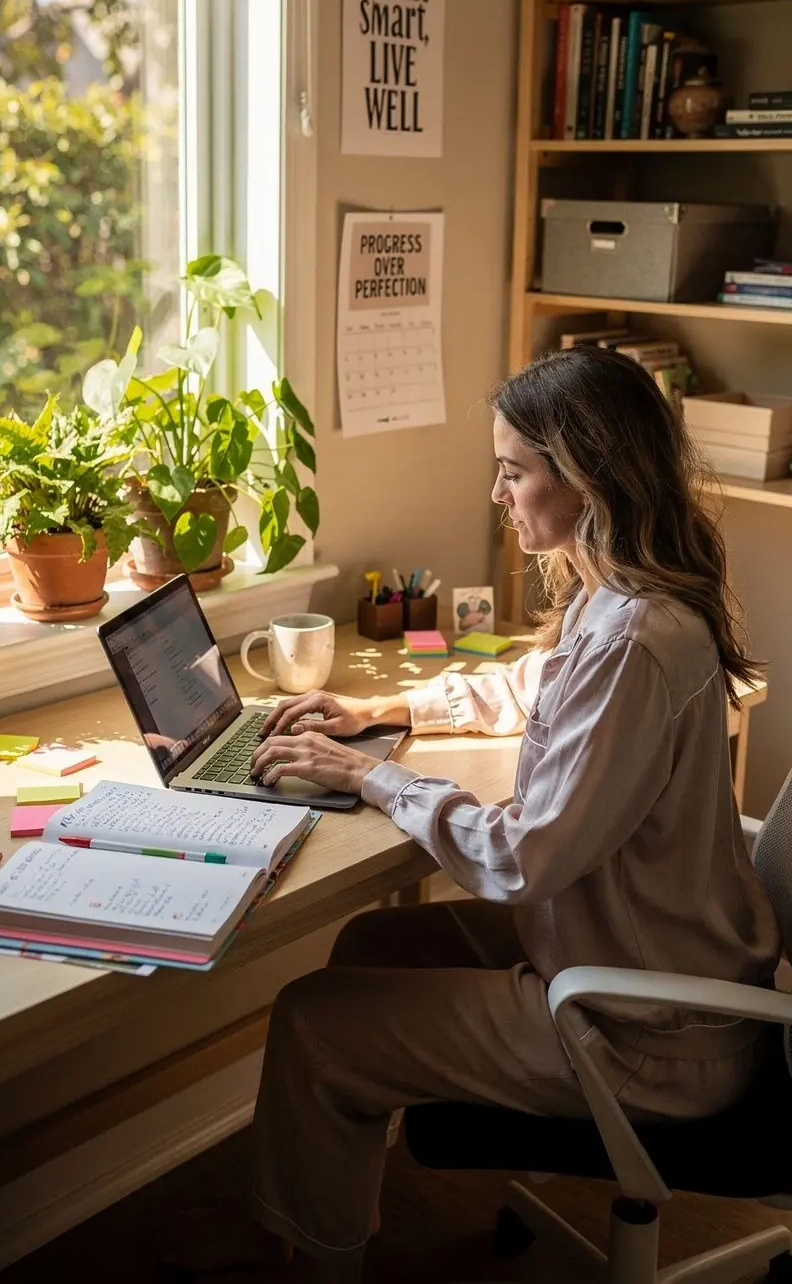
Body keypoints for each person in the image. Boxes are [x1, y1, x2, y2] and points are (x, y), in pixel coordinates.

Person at [245, 348, 781, 1284]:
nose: (498, 493)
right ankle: (332, 1213)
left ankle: (306, 1259)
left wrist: (371, 778)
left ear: (588, 477)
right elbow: (536, 686)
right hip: (653, 961)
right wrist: (387, 710)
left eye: (513, 471)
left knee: (313, 1020)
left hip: (645, 1032)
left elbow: (522, 858)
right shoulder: (626, 599)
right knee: (374, 945)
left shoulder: (635, 639)